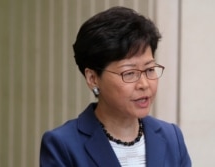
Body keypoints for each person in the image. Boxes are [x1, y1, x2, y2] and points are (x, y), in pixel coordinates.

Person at [40, 6, 191, 167]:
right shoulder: (63, 145)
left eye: (149, 69)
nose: (144, 84)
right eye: (129, 73)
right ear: (92, 78)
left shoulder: (171, 137)